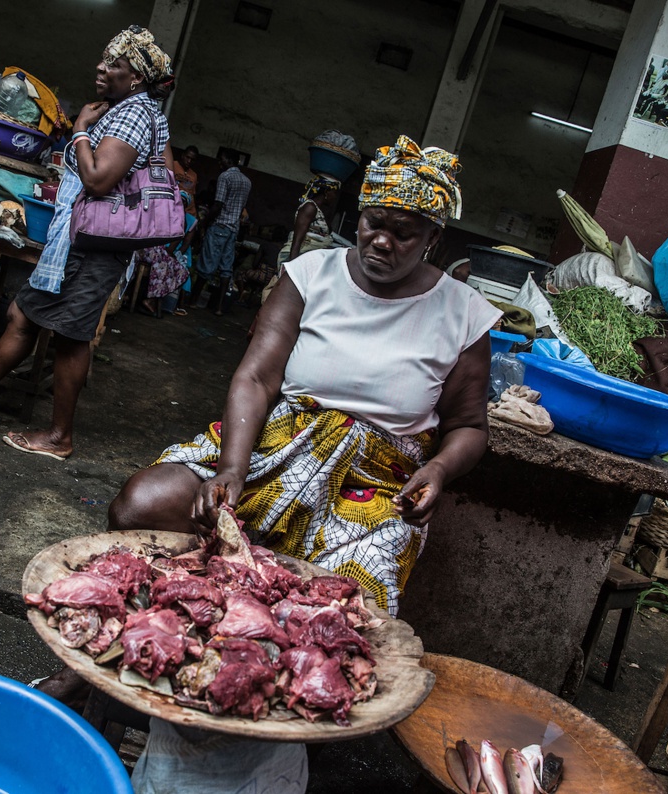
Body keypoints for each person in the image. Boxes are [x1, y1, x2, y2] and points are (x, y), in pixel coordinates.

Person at [108, 135, 502, 792]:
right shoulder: (311, 273)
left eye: (404, 234)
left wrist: (439, 472)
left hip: (373, 484)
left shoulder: (462, 316)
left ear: (433, 236)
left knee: (341, 617)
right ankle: (141, 653)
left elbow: (467, 427)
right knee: (145, 504)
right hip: (273, 444)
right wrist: (233, 466)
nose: (382, 242)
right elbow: (257, 377)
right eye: (375, 223)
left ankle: (274, 723)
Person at [0, 25, 175, 461]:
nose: (101, 66)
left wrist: (78, 130)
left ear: (136, 78)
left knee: (72, 337)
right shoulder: (137, 110)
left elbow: (97, 180)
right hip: (80, 242)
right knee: (23, 313)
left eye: (114, 63)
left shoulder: (132, 114)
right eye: (104, 58)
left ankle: (60, 437)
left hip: (95, 245)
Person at [260, 174, 341, 304]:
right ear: (326, 191)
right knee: (285, 298)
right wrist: (293, 268)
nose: (334, 197)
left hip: (304, 258)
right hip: (297, 257)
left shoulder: (317, 210)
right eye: (334, 193)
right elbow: (298, 238)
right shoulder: (309, 208)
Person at [192, 149, 252, 316]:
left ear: (229, 160)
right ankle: (218, 307)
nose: (219, 163)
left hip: (219, 226)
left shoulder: (225, 177)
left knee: (206, 265)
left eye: (221, 160)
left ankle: (193, 301)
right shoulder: (247, 181)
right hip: (233, 229)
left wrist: (204, 222)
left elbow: (218, 205)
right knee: (226, 268)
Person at [171, 145, 199, 218]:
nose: (189, 161)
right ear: (183, 155)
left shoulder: (194, 175)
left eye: (192, 159)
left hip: (188, 212)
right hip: (172, 207)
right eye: (187, 157)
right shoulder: (172, 165)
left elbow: (192, 194)